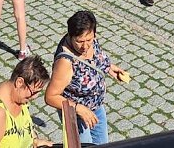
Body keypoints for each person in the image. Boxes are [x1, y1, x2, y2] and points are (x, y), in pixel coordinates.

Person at [44, 11, 128, 145]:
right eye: (79, 41)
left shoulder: (90, 39)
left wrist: (109, 67)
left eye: (89, 40)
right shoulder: (65, 62)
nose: (85, 46)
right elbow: (50, 96)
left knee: (102, 145)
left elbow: (94, 61)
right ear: (70, 36)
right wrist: (78, 108)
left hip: (97, 107)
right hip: (77, 116)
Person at [0, 56, 53, 148]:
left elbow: (25, 126)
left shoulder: (19, 97)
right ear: (19, 82)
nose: (35, 97)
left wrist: (35, 140)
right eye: (34, 92)